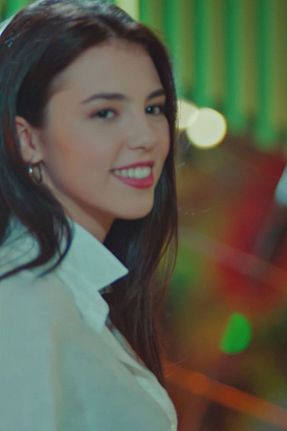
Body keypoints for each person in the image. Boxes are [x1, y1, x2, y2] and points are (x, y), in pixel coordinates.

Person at [0, 1, 179, 429]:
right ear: (27, 139)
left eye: (153, 109)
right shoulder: (23, 298)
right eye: (105, 113)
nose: (145, 137)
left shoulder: (74, 293)